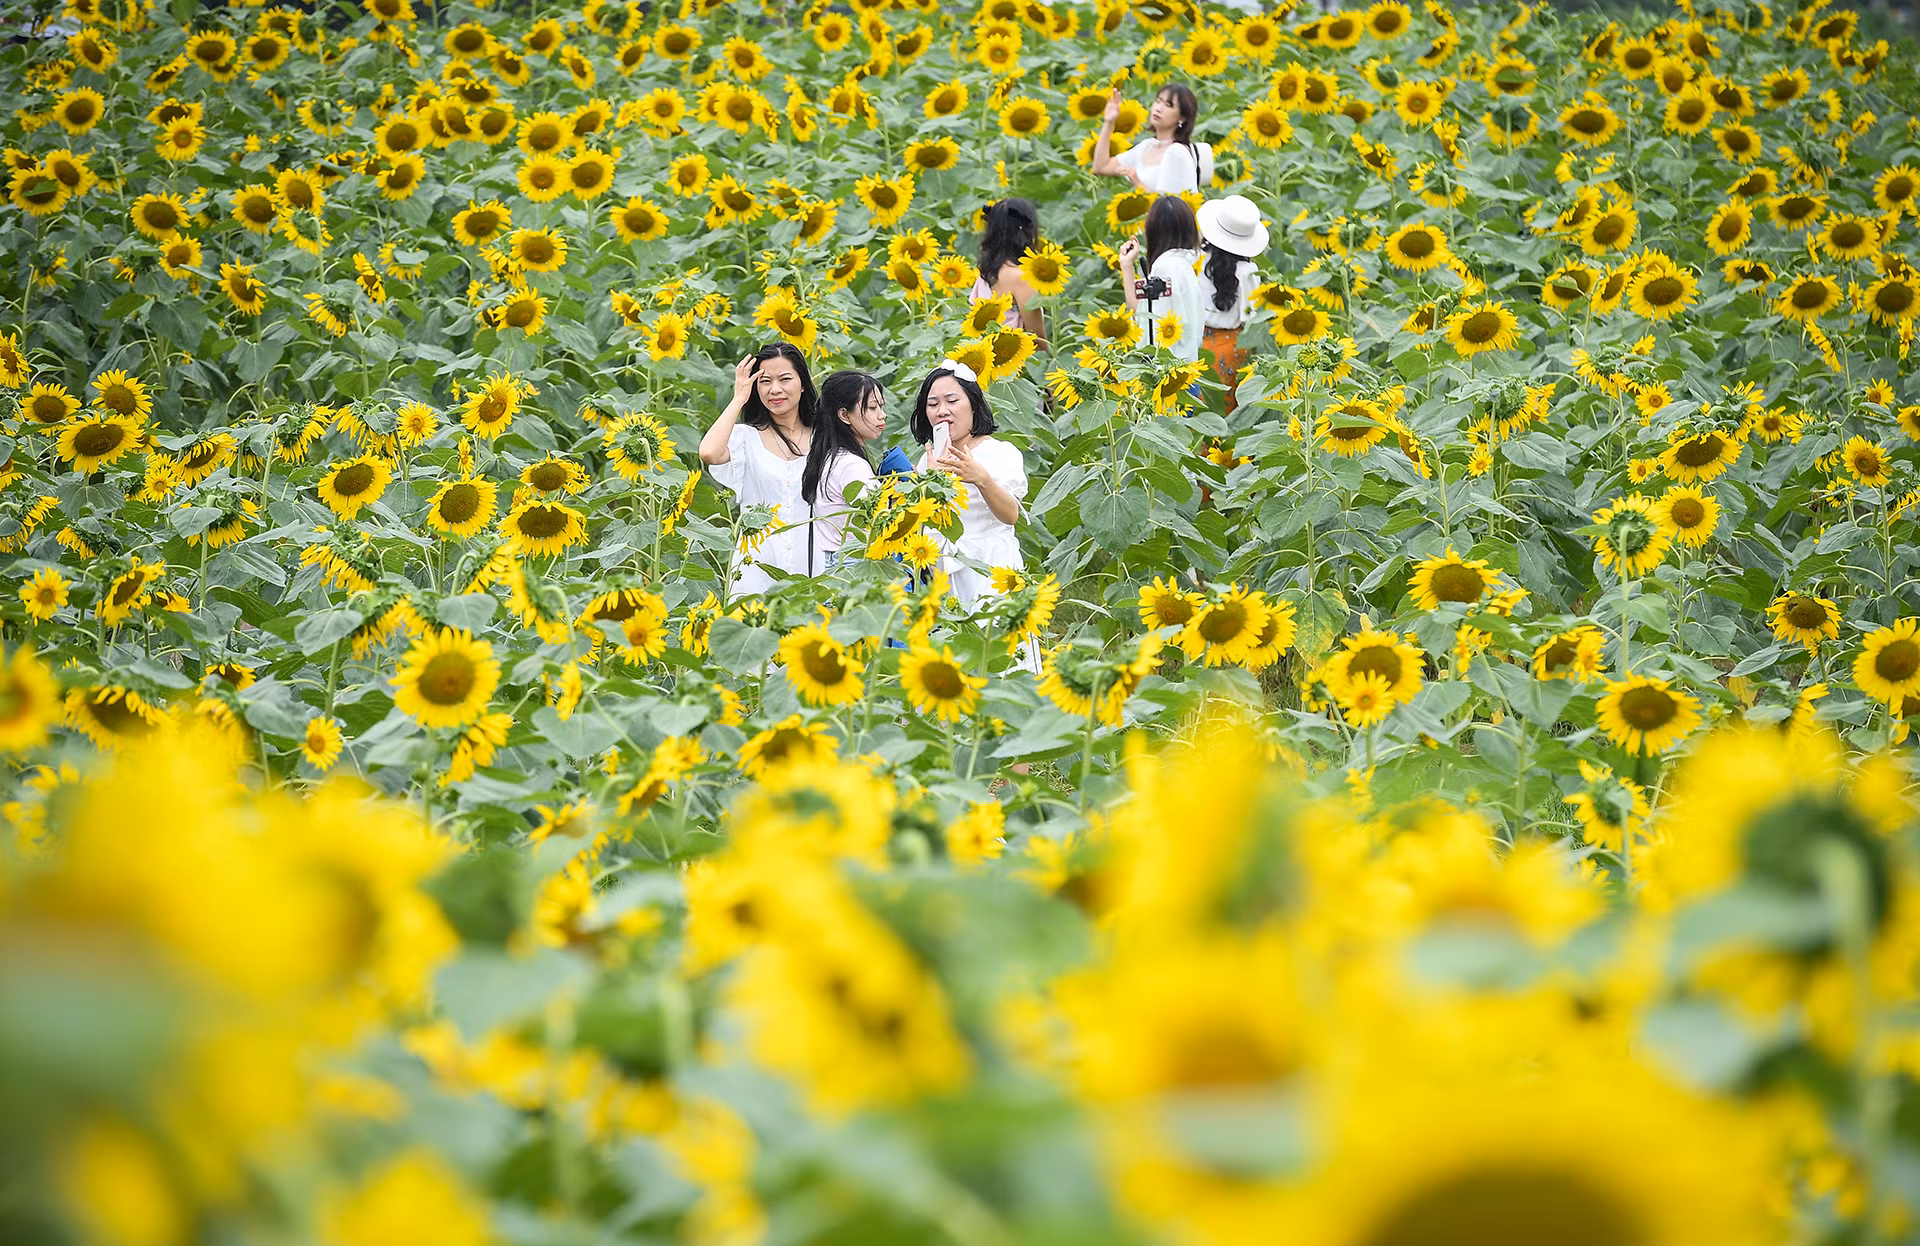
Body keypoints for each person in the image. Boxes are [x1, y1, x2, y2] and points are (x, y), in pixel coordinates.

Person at [698, 343, 817, 597]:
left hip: (810, 565)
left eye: (785, 379)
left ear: (803, 383)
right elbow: (709, 452)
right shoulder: (745, 438)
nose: (775, 389)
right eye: (765, 381)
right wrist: (739, 398)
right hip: (756, 566)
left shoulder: (823, 439)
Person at [800, 369, 888, 571]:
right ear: (844, 415)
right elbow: (880, 519)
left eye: (881, 406)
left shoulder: (828, 457)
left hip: (832, 560)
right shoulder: (851, 465)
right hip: (854, 561)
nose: (882, 415)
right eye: (872, 407)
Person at [1195, 194, 1270, 411]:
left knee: (1201, 413)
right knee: (1230, 412)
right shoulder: (1248, 272)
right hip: (1233, 347)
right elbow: (1252, 319)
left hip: (1197, 343)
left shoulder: (1196, 260)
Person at [1118, 195, 1206, 363]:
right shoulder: (1184, 264)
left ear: (1153, 230)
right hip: (1186, 368)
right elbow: (1144, 311)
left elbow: (1147, 323)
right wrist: (1127, 265)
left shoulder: (1165, 268)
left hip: (1167, 372)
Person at [1092, 83, 1213, 195]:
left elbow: (1171, 207)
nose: (1159, 108)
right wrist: (1109, 122)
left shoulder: (1177, 152)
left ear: (1182, 118)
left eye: (1168, 105)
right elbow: (1101, 166)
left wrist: (1138, 184)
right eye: (1158, 101)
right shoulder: (1147, 147)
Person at [970, 198, 1049, 348]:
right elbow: (1038, 341)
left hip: (989, 359)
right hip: (1016, 363)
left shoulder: (986, 272)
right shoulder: (1020, 277)